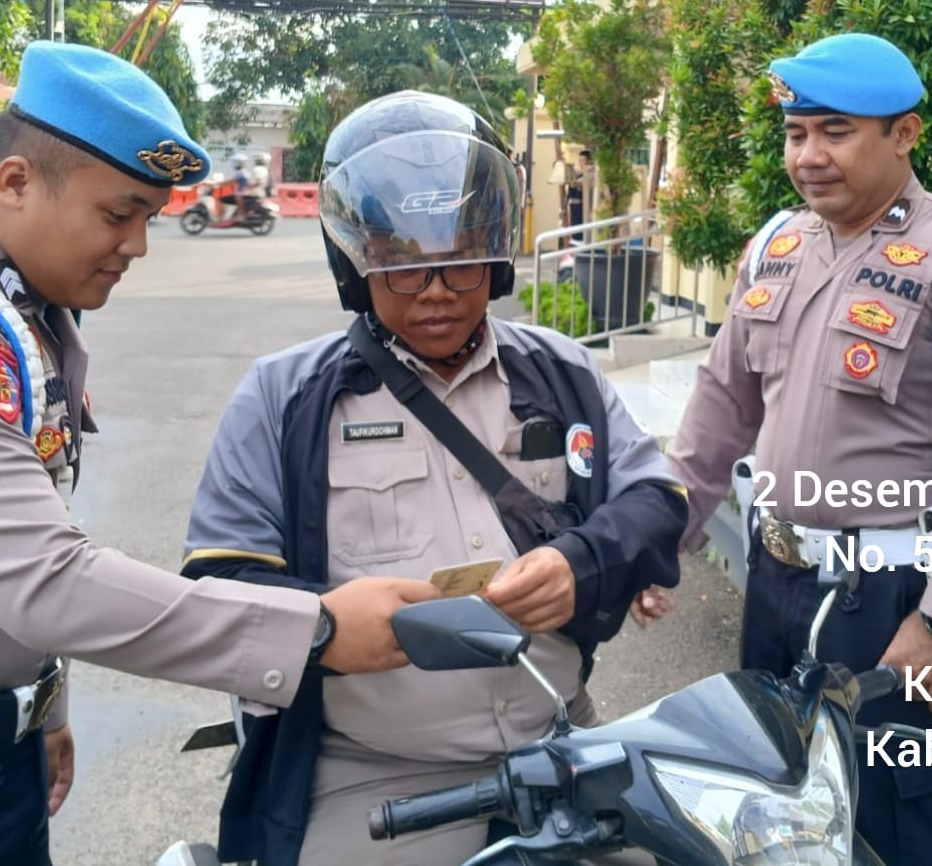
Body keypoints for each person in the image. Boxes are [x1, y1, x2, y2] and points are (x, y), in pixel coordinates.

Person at [0, 42, 388, 866]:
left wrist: (43, 706)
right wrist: (317, 630)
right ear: (14, 183)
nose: (138, 245)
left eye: (148, 216)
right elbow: (43, 577)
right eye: (120, 214)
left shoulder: (13, 309)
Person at [181, 91, 686, 866]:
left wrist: (581, 566)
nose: (439, 293)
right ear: (354, 264)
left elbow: (657, 500)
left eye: (459, 265)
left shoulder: (563, 373)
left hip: (561, 739)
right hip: (370, 773)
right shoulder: (284, 397)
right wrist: (326, 624)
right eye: (406, 272)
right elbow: (223, 583)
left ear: (495, 253)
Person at [633, 33, 932, 866]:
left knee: (910, 822)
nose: (809, 156)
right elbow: (721, 409)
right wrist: (662, 542)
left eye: (835, 132)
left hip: (892, 599)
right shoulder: (776, 247)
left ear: (904, 135)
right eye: (797, 135)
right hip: (777, 580)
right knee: (779, 803)